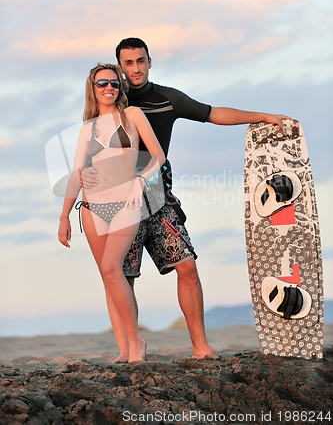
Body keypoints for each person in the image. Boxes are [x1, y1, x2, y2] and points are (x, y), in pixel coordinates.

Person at [82, 38, 290, 361]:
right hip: (119, 203)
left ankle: (200, 346)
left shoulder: (167, 98)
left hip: (156, 196)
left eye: (141, 61)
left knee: (187, 265)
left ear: (150, 62)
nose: (135, 68)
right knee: (123, 275)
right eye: (128, 63)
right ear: (119, 67)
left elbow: (212, 113)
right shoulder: (108, 99)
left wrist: (260, 116)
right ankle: (130, 349)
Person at [58, 63, 165, 362]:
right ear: (92, 88)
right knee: (108, 277)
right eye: (102, 83)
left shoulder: (132, 115)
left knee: (111, 268)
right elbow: (76, 173)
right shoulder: (86, 128)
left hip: (126, 203)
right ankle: (124, 349)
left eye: (114, 83)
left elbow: (157, 156)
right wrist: (64, 216)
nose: (109, 87)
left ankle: (137, 343)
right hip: (92, 207)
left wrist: (140, 182)